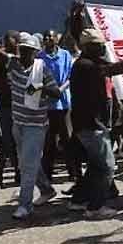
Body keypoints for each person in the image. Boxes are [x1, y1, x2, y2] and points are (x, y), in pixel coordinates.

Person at [69, 28, 123, 218]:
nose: (102, 48)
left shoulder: (90, 63)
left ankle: (79, 200)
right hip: (91, 125)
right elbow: (116, 68)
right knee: (107, 167)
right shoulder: (86, 65)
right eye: (99, 45)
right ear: (88, 47)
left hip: (89, 124)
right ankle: (95, 207)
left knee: (96, 165)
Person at [0, 25, 60, 220]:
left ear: (35, 52)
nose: (25, 53)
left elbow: (56, 92)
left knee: (27, 164)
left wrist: (40, 88)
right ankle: (47, 189)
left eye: (29, 50)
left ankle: (25, 205)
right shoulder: (13, 63)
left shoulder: (41, 68)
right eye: (23, 49)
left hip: (36, 125)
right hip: (18, 122)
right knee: (29, 162)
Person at [39, 29, 76, 183]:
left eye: (51, 36)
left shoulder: (65, 55)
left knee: (67, 138)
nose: (48, 39)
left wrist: (60, 89)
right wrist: (48, 90)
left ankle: (73, 172)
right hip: (47, 104)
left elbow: (70, 76)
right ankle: (47, 173)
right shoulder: (39, 57)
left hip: (63, 102)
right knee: (49, 141)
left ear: (56, 39)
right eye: (46, 37)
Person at [0, 30, 20, 188]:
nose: (6, 44)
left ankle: (17, 171)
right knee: (8, 140)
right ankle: (1, 175)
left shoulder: (22, 59)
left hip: (20, 103)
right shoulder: (3, 59)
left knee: (18, 141)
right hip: (6, 104)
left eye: (9, 41)